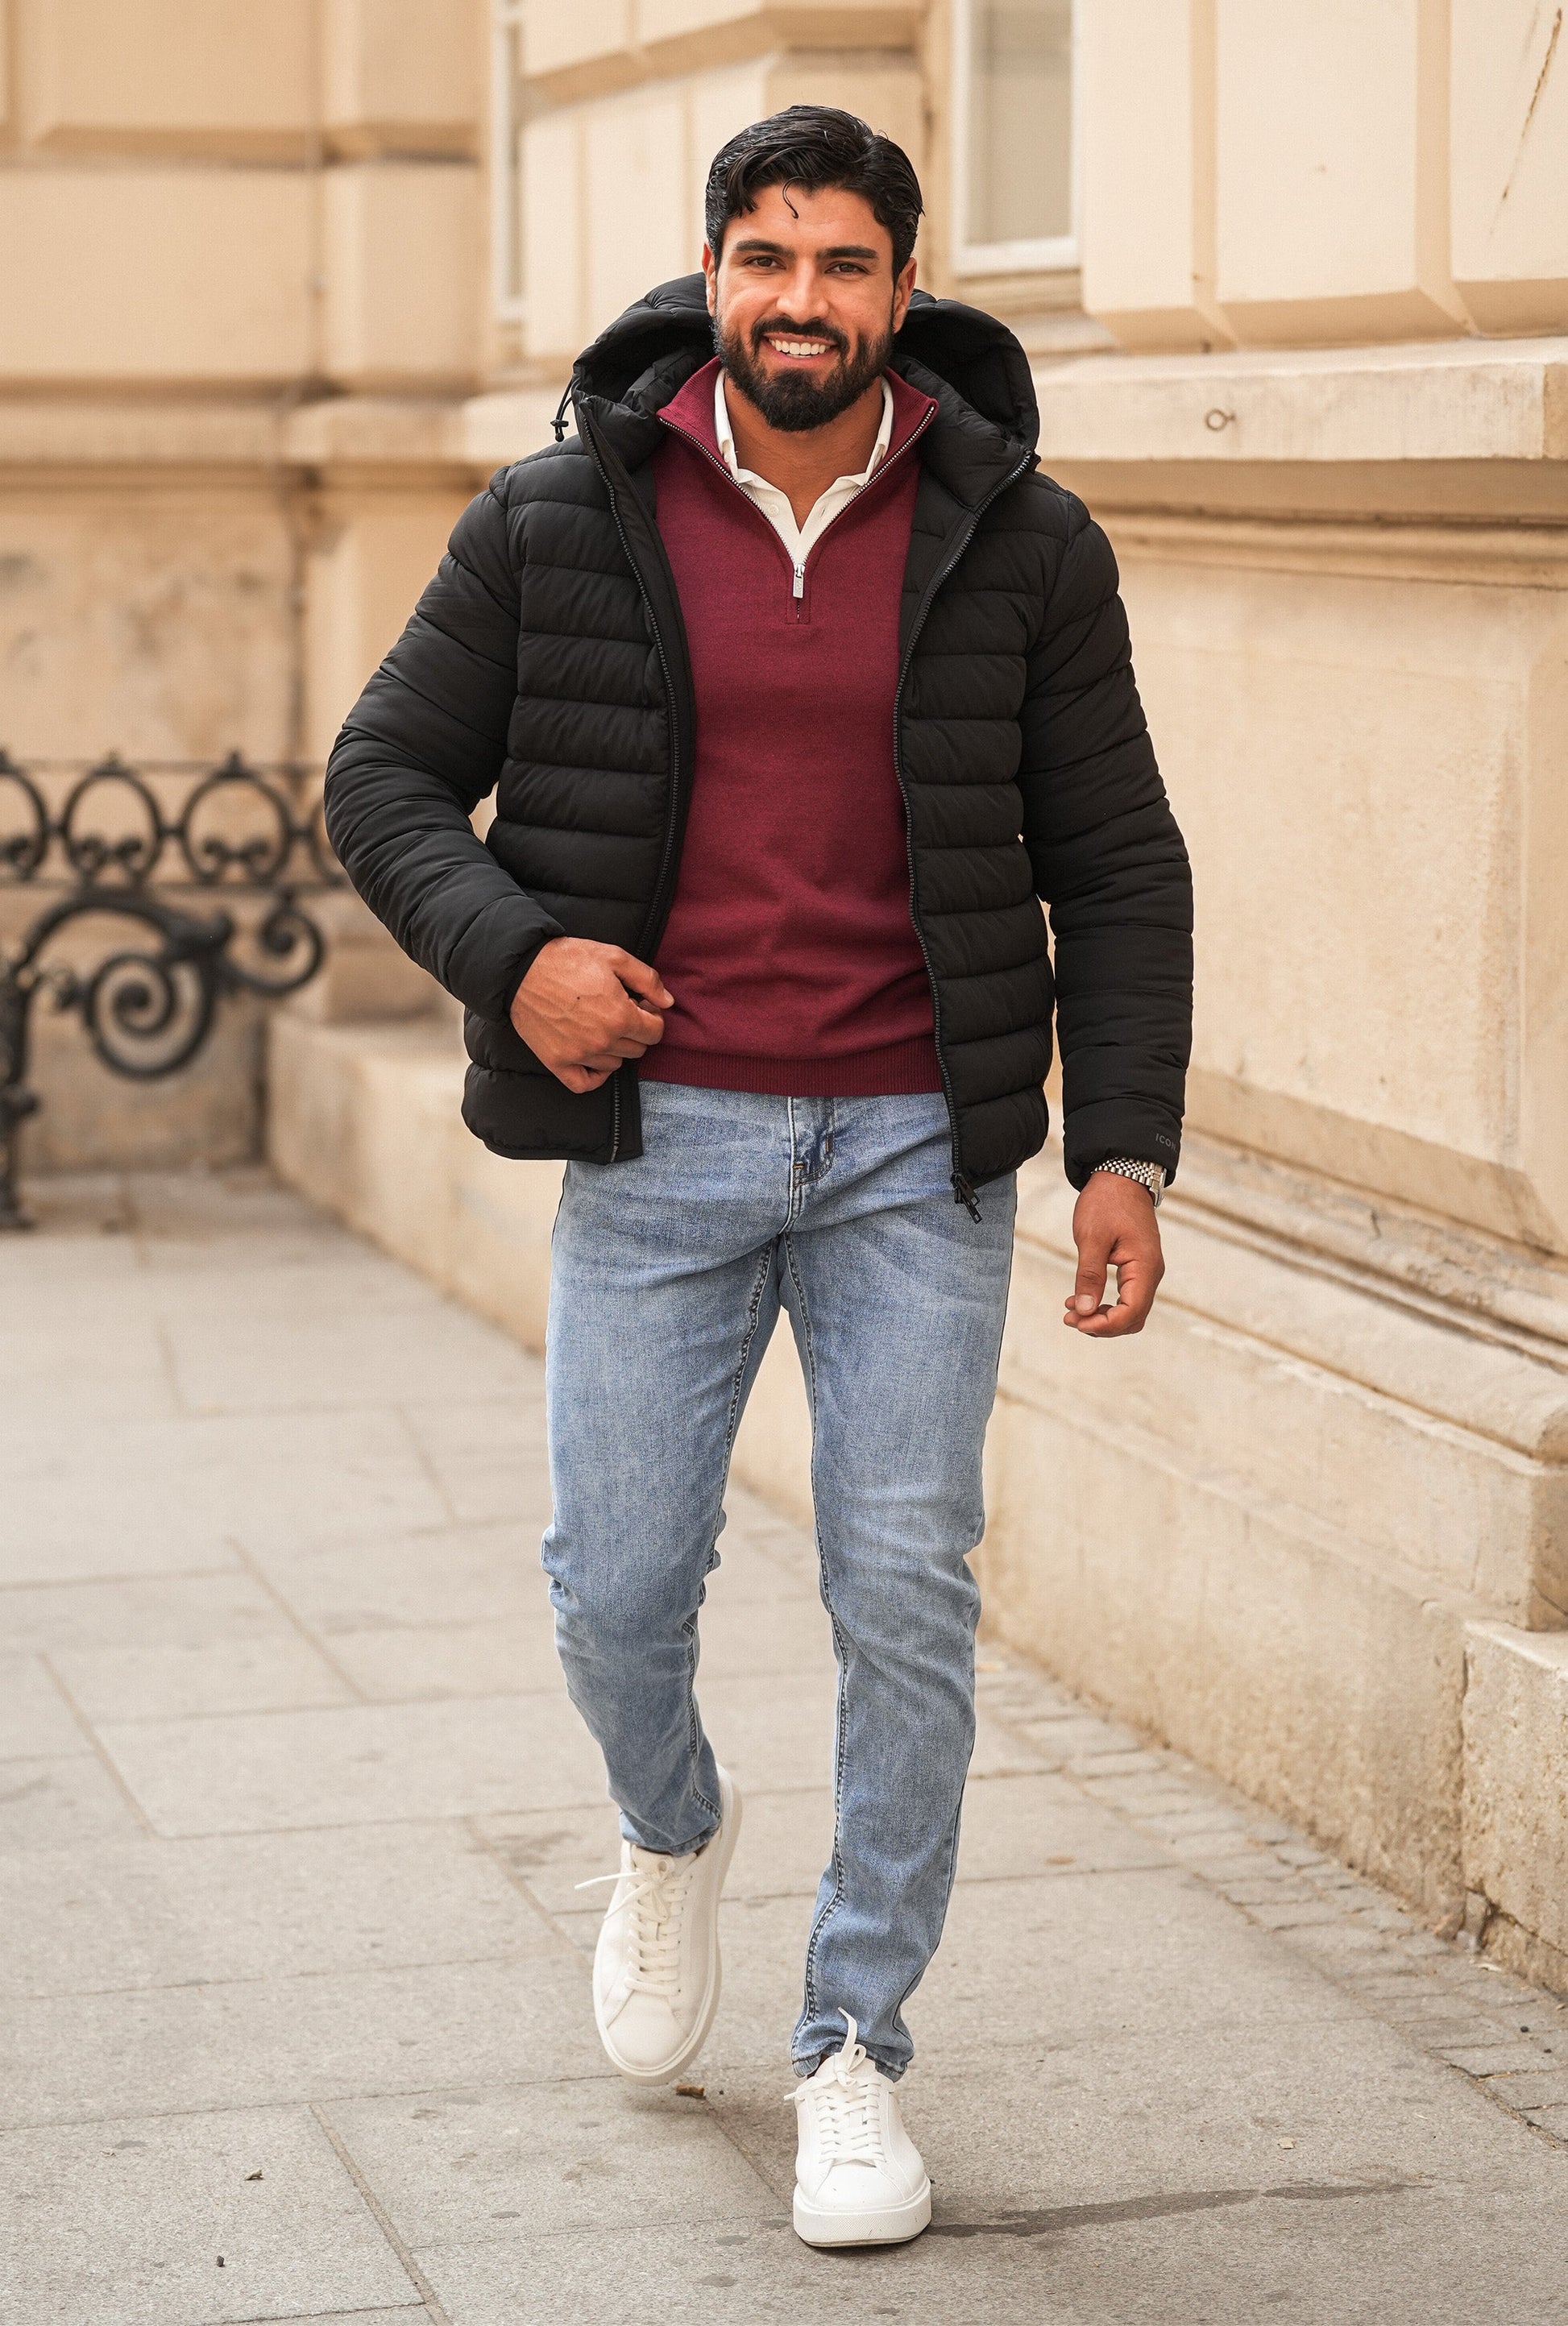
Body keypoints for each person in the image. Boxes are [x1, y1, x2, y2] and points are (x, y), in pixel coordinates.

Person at [324, 105, 1193, 2249]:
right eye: (766, 258)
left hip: (913, 1145)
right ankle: (669, 1826)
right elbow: (385, 776)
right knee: (612, 1588)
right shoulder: (561, 515)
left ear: (904, 286)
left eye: (843, 263)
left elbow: (1115, 859)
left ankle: (852, 2051)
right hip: (661, 1137)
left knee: (903, 1591)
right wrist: (516, 960)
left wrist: (1123, 1147)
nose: (801, 300)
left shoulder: (1019, 534)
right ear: (713, 273)